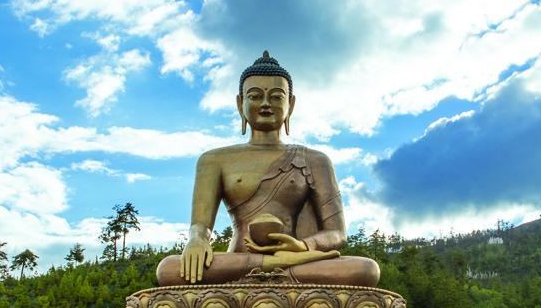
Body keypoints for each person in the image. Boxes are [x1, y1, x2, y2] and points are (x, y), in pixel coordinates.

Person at [155, 52, 380, 288]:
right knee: (169, 269)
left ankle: (264, 275)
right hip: (241, 260)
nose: (265, 104)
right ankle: (268, 267)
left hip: (298, 260)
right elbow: (200, 227)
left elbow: (336, 234)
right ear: (239, 103)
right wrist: (196, 240)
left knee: (366, 269)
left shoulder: (316, 160)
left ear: (290, 105)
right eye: (255, 96)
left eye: (275, 97)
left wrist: (303, 247)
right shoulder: (214, 160)